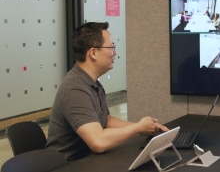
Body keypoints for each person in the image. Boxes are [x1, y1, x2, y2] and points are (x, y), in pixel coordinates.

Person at [46, 22, 168, 161]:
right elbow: (98, 142)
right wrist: (138, 128)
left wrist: (141, 129)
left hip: (89, 160)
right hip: (69, 165)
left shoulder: (92, 83)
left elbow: (107, 121)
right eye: (111, 47)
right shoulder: (75, 89)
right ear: (93, 53)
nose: (115, 53)